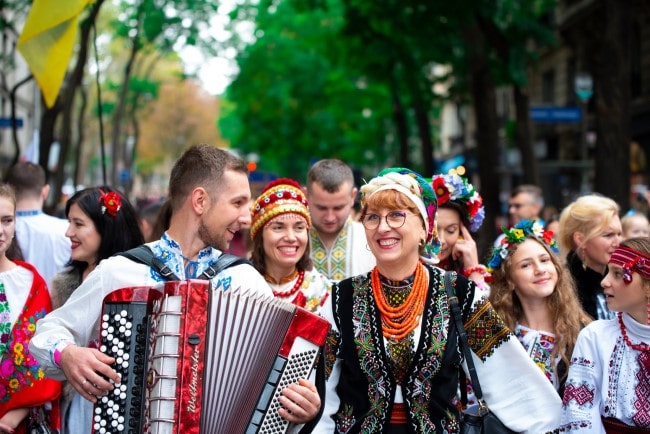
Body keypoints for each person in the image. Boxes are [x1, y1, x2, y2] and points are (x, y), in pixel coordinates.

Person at [30, 144, 321, 432]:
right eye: (237, 203)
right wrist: (67, 354)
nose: (246, 217)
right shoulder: (121, 272)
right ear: (200, 201)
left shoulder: (247, 281)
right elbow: (47, 333)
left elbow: (272, 395)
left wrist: (300, 408)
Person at [314, 168, 561, 433]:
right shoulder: (342, 298)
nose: (383, 227)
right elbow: (322, 390)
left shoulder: (459, 294)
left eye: (396, 215)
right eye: (372, 217)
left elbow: (509, 378)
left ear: (424, 228)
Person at [48, 186, 143, 433]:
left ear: (105, 227)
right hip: (76, 401)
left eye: (78, 224)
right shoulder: (62, 282)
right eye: (69, 222)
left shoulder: (138, 279)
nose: (69, 232)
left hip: (127, 403)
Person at [488, 219, 591, 397]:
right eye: (526, 265)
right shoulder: (497, 332)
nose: (540, 269)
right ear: (510, 280)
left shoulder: (582, 333)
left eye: (544, 260)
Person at [561, 237, 650, 432]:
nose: (604, 282)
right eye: (608, 272)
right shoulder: (595, 336)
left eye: (618, 274)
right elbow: (579, 415)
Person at [0, 184, 61, 433]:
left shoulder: (31, 282)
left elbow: (42, 357)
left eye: (7, 220)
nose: (0, 231)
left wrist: (11, 419)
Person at [250, 178, 330, 312]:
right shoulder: (241, 285)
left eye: (299, 227)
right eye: (278, 228)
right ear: (260, 236)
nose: (291, 238)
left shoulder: (322, 291)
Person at [306, 159, 375, 281]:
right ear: (306, 195)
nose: (330, 217)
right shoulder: (294, 241)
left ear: (353, 196)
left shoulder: (372, 238)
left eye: (338, 207)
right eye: (321, 208)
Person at [557, 194, 622, 320]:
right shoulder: (562, 287)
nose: (618, 242)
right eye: (608, 235)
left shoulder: (627, 277)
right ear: (581, 240)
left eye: (619, 234)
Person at [5, 162, 71, 286]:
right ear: (45, 191)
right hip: (55, 305)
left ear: (9, 189)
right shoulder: (67, 231)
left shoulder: (4, 231)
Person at [431, 171, 490, 292]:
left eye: (451, 230)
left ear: (462, 233)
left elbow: (481, 310)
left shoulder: (466, 273)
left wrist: (473, 270)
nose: (441, 240)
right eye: (434, 230)